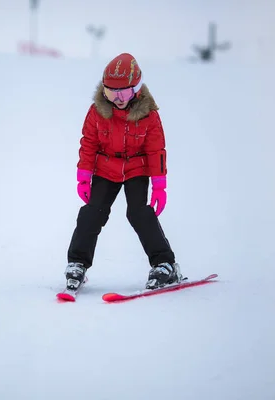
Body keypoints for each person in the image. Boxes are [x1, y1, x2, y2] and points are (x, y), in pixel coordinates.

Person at [64, 52, 185, 291]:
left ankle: (165, 264)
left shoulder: (149, 115)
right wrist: (84, 176)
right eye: (111, 92)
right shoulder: (98, 112)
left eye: (124, 92)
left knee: (139, 213)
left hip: (136, 169)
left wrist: (159, 185)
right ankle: (77, 263)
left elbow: (156, 150)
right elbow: (88, 143)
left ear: (136, 89)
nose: (118, 98)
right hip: (106, 168)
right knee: (92, 213)